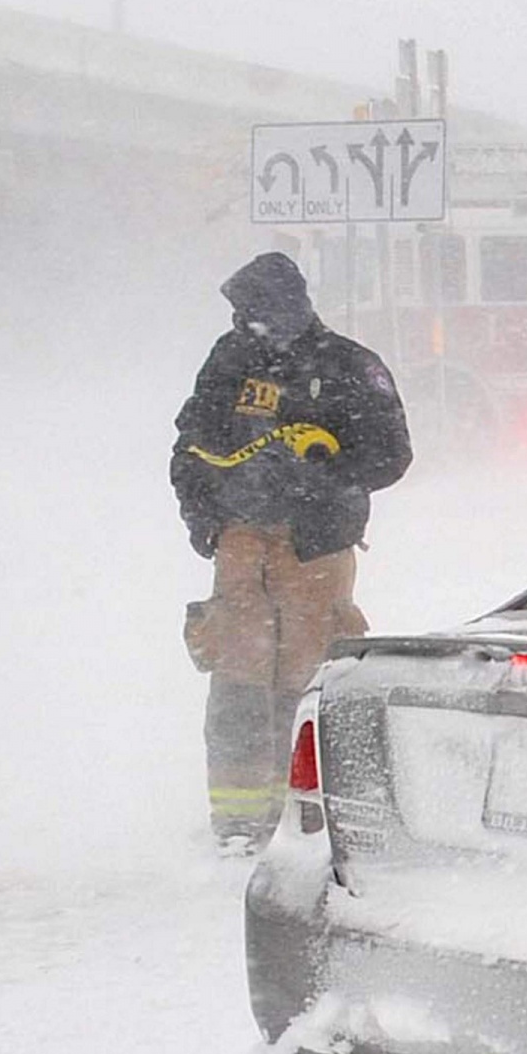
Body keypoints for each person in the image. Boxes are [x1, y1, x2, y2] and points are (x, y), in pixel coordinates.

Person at [171, 251, 412, 844]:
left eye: (251, 311)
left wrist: (319, 478)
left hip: (315, 552)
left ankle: (311, 814)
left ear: (286, 306)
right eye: (238, 312)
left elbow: (392, 456)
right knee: (237, 681)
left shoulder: (348, 366)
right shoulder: (229, 361)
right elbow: (190, 447)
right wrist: (208, 523)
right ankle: (238, 819)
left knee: (310, 678)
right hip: (240, 547)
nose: (242, 323)